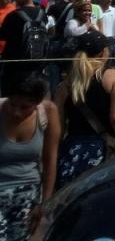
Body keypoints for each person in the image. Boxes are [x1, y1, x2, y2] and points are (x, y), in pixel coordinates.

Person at [54, 31, 115, 186]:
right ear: (103, 52)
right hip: (102, 151)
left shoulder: (65, 84)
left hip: (72, 150)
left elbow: (58, 128)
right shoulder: (113, 76)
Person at [0, 74, 60, 241]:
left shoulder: (47, 112)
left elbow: (50, 160)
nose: (17, 112)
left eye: (25, 107)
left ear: (37, 103)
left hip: (27, 195)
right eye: (12, 104)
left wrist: (45, 203)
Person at [0, 0, 48, 96]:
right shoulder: (42, 14)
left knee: (11, 94)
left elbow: (3, 35)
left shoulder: (14, 15)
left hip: (14, 63)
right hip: (36, 60)